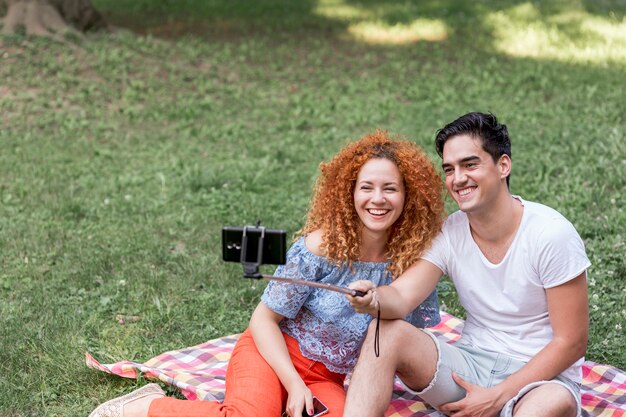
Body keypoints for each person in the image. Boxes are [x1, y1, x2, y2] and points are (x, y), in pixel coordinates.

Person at [89, 130, 446, 417]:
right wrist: (293, 384)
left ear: (408, 196)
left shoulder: (410, 262)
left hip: (329, 378)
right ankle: (145, 406)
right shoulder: (321, 247)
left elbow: (404, 340)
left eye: (390, 188)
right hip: (271, 354)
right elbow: (263, 320)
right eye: (366, 187)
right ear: (350, 193)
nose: (377, 199)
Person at [344, 112, 590, 417]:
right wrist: (374, 298)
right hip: (470, 365)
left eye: (470, 164)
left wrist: (496, 397)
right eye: (450, 169)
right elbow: (401, 297)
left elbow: (572, 342)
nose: (457, 178)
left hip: (541, 379)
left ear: (503, 165)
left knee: (548, 405)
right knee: (386, 331)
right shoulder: (451, 232)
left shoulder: (551, 234)